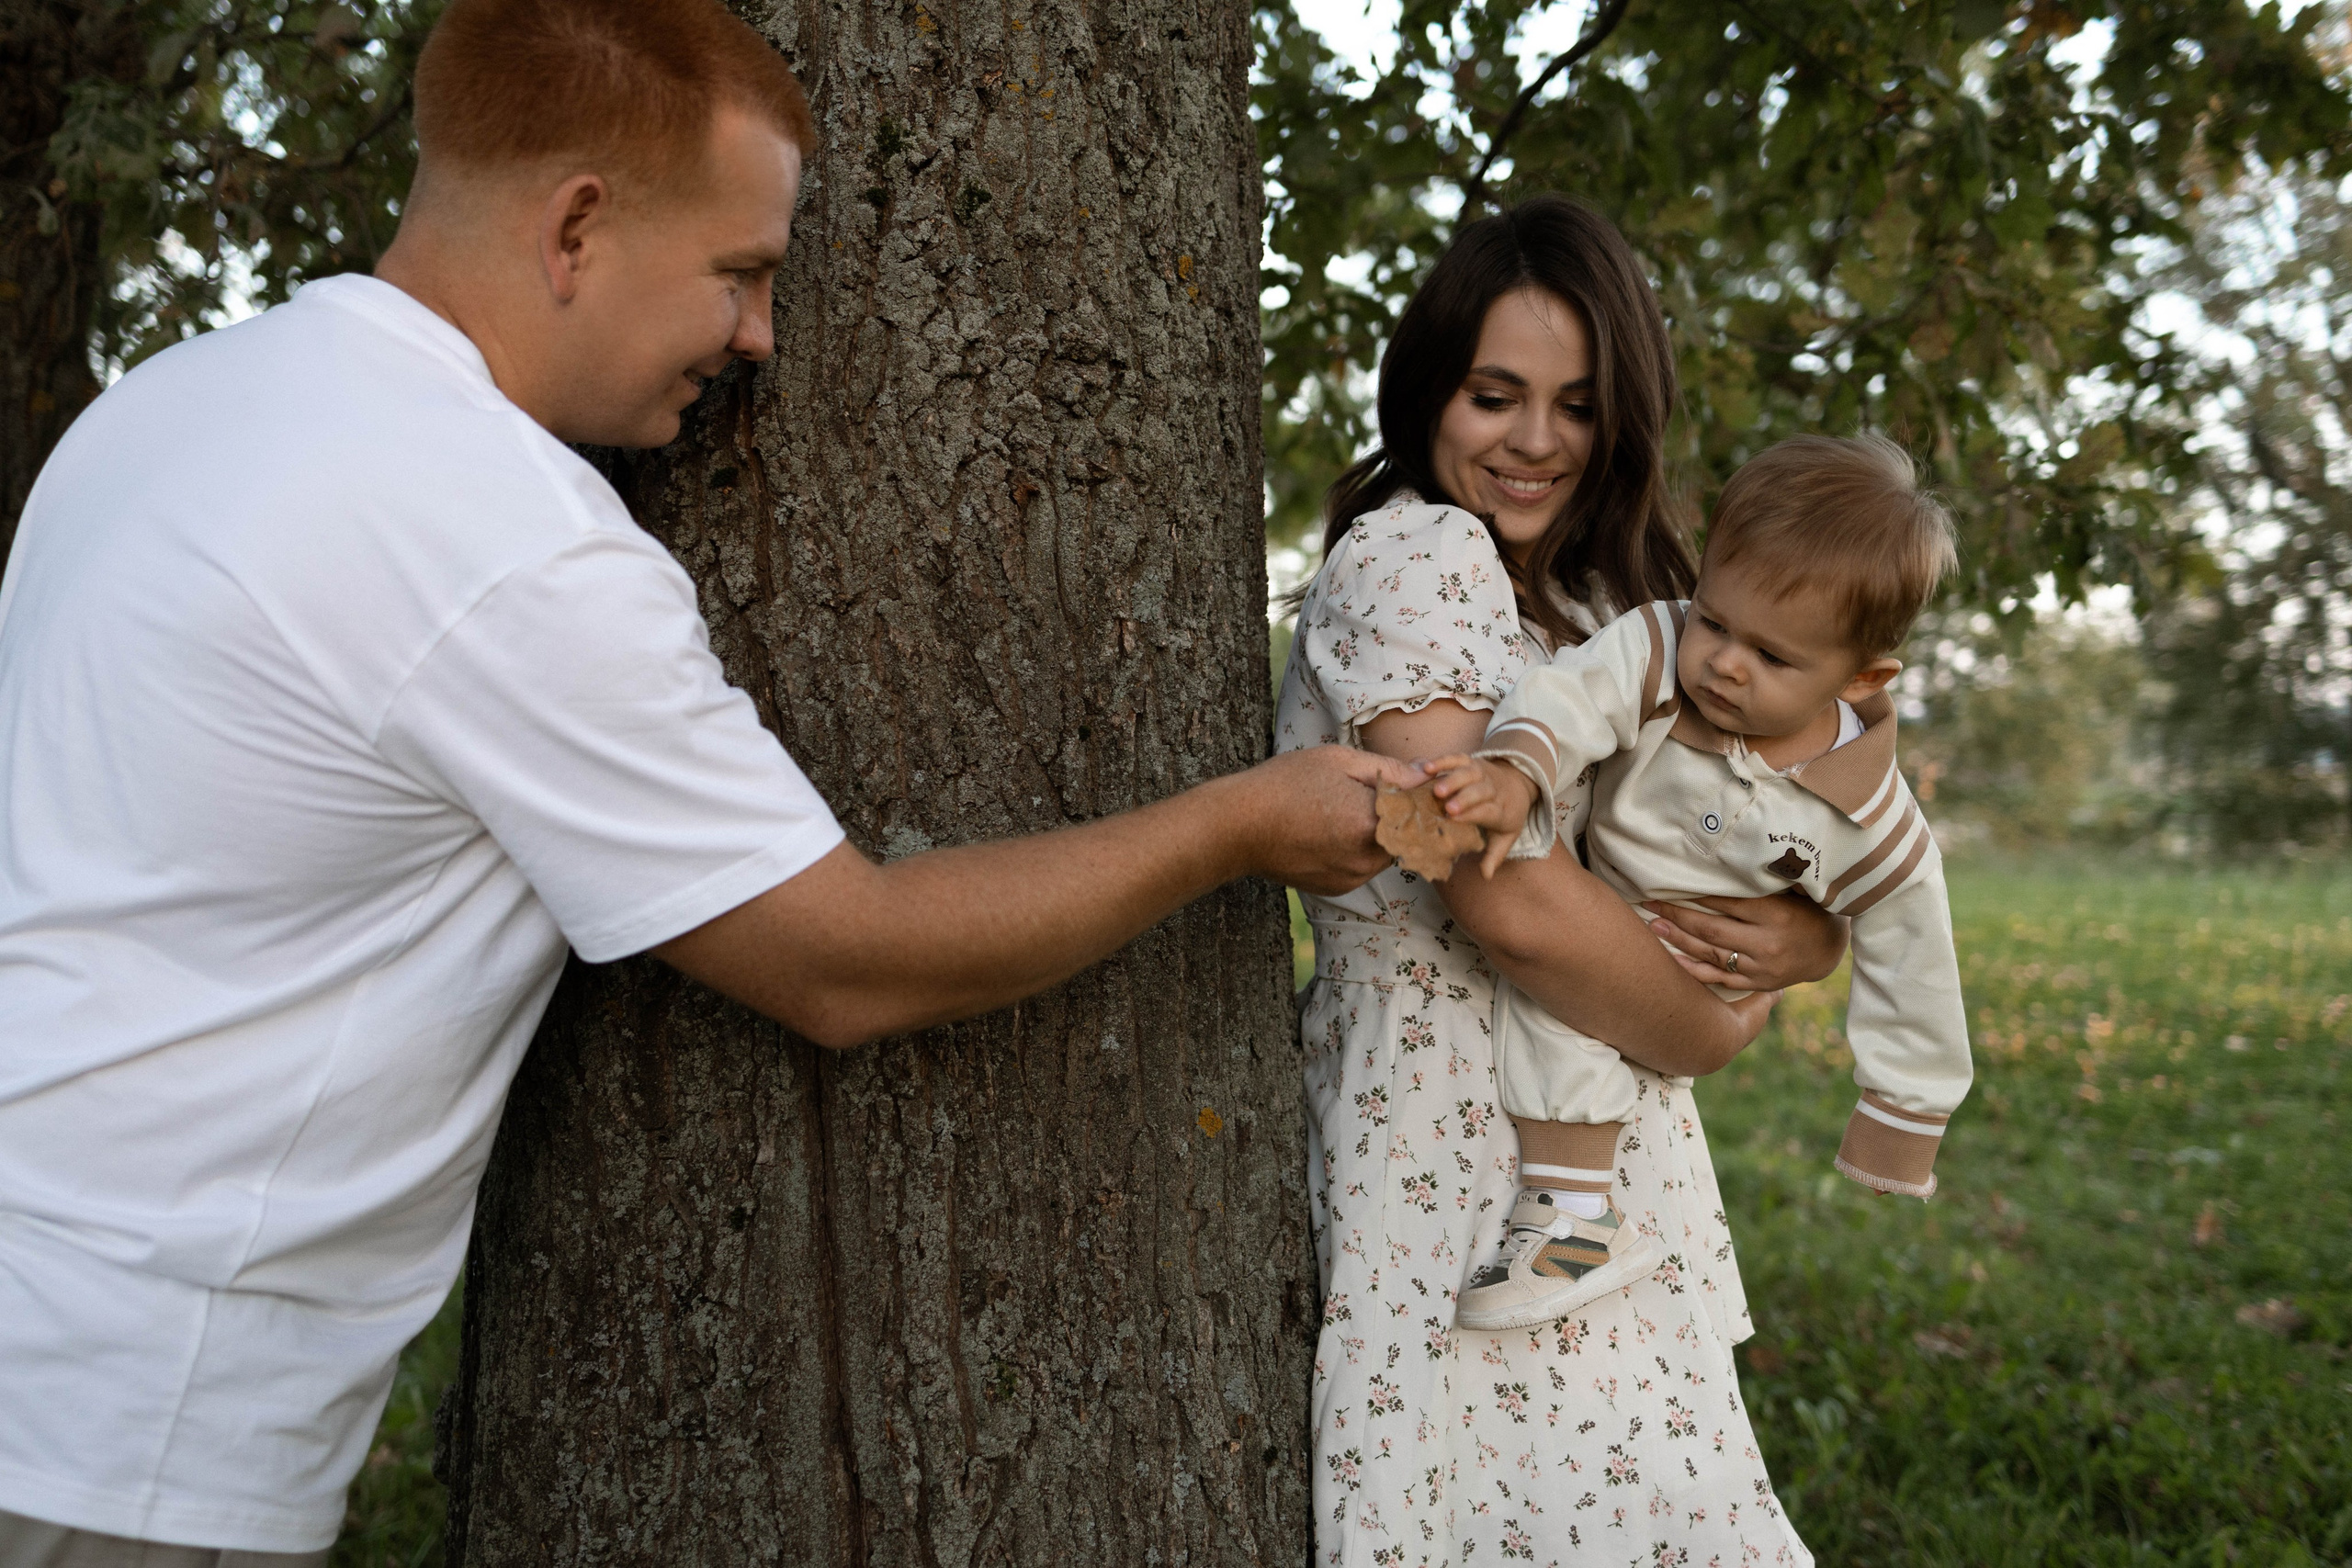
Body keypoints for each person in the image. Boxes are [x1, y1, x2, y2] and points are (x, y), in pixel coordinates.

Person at [0, 0, 1413, 1561]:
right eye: (740, 273)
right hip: (114, 1426)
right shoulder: (497, 533)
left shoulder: (164, 411)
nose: (759, 337)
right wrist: (1239, 820)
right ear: (578, 228)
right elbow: (846, 959)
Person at [1276, 195, 1844, 1565]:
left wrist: (1798, 937)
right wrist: (1709, 1020)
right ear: (1429, 390)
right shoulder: (1418, 553)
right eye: (1495, 394)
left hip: (1591, 1147)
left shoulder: (1595, 605)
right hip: (1454, 1151)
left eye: (1577, 405)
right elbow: (1503, 891)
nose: (1535, 441)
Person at [1422, 433, 1973, 1332]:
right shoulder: (1657, 647)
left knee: (1552, 1013)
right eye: (1716, 621)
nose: (1723, 662)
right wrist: (1518, 771)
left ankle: (1572, 1224)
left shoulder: (1866, 819)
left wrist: (1902, 1112)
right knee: (1549, 1004)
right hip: (1599, 926)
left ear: (1861, 678)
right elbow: (1572, 695)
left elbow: (1914, 954)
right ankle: (1575, 1218)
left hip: (1694, 976)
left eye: (1775, 658)